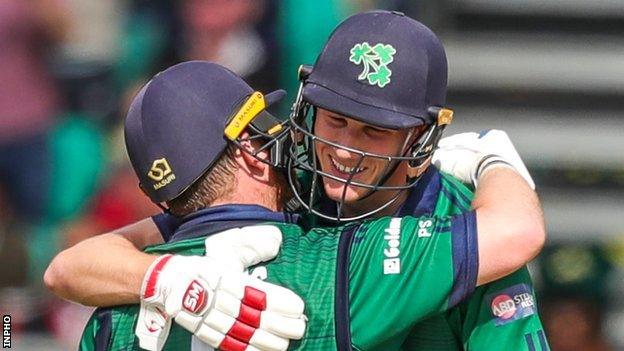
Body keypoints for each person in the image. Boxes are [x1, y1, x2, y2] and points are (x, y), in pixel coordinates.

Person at [46, 11, 547, 350]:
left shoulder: (464, 218)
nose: (346, 149)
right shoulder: (301, 206)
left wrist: (158, 276)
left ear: (418, 136)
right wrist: (494, 164)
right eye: (335, 121)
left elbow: (66, 271)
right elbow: (71, 266)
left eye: (375, 130)